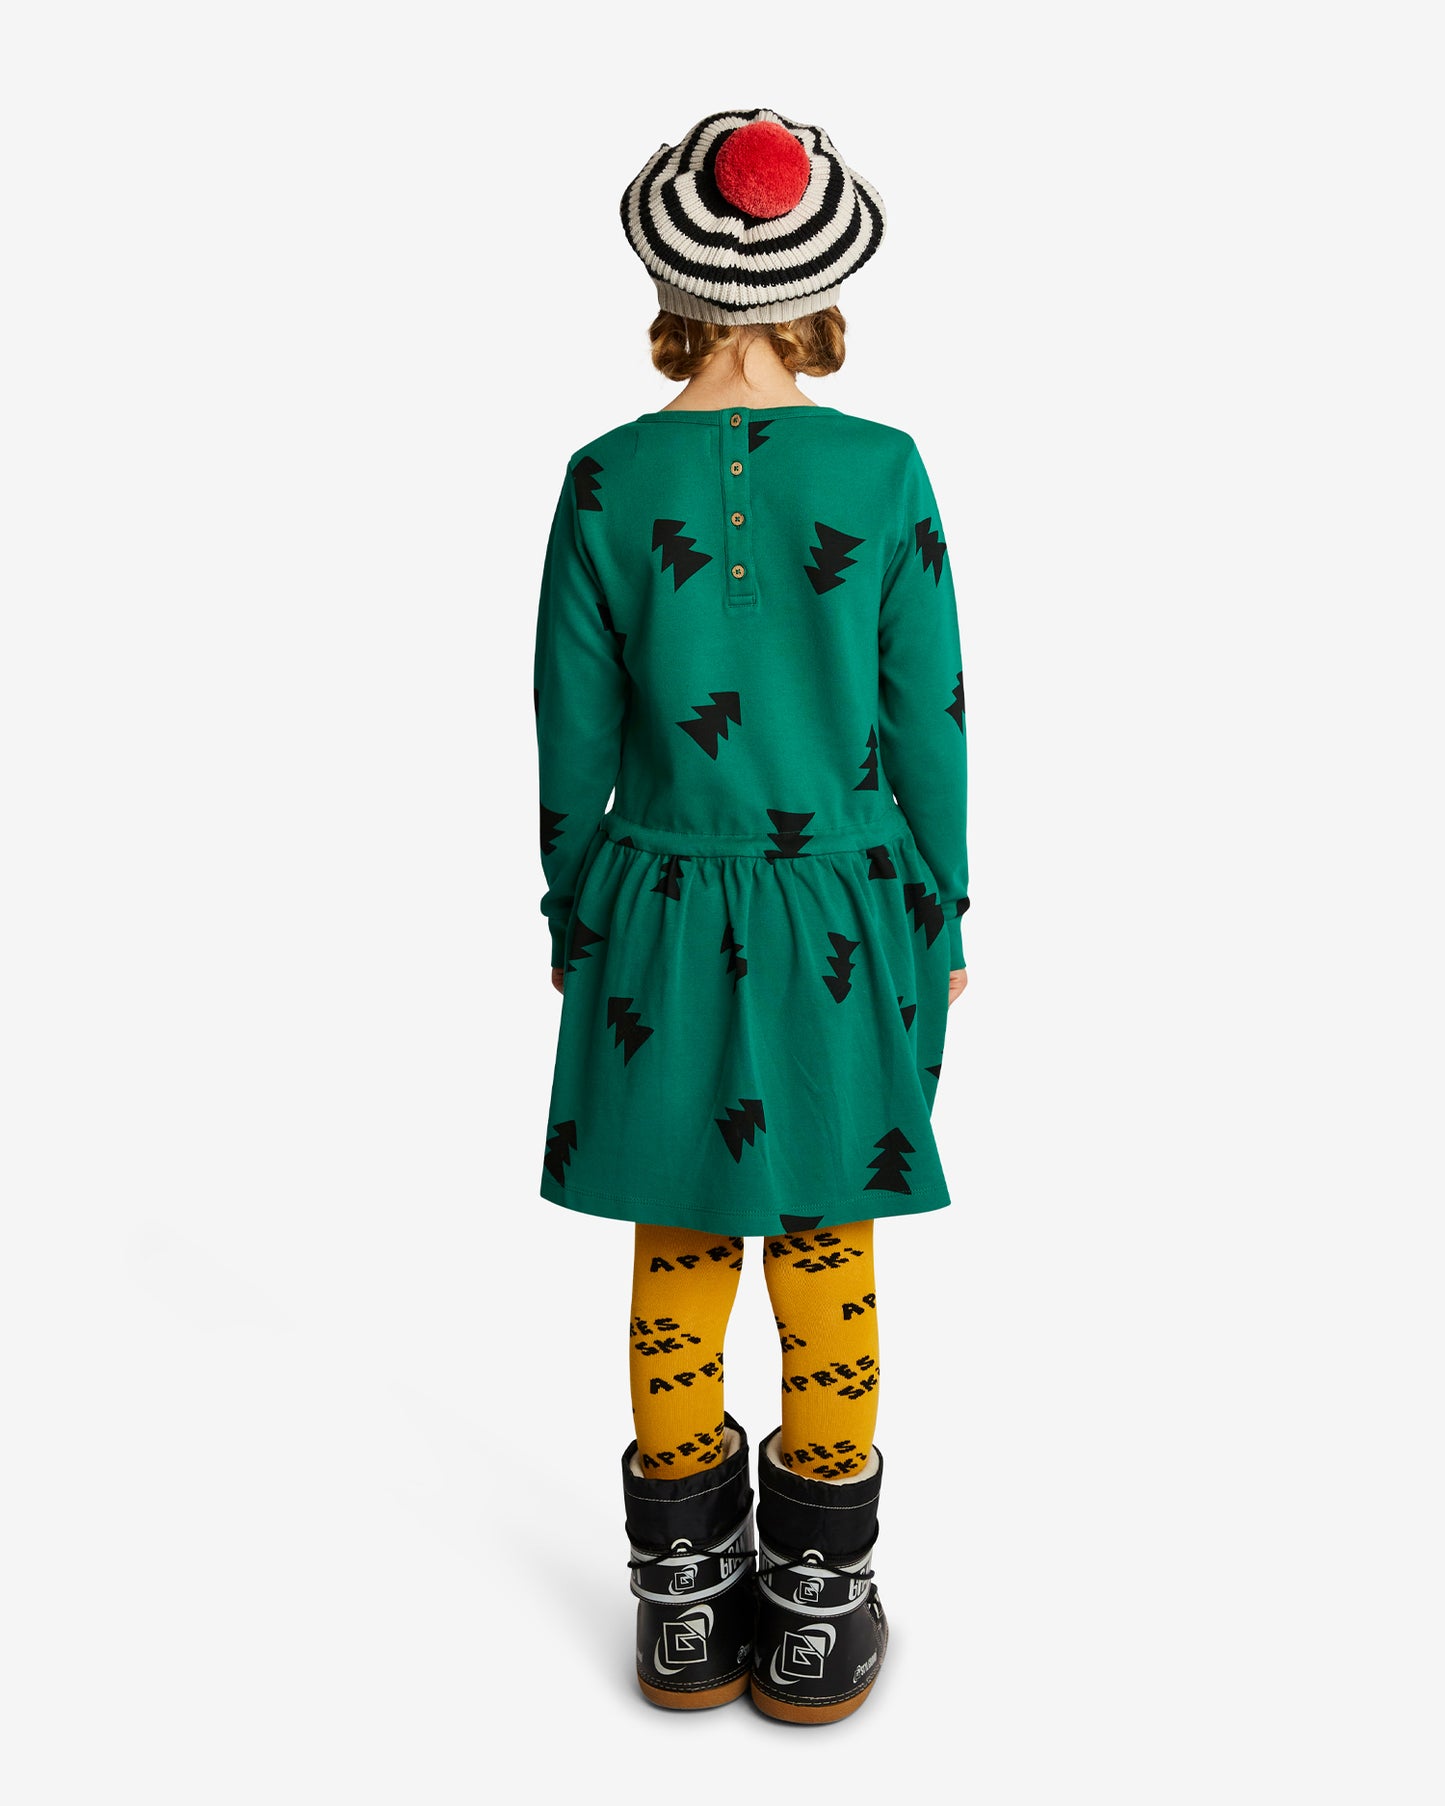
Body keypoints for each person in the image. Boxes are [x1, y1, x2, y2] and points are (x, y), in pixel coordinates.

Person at [532, 108, 969, 1723]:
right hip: (842, 900)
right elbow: (927, 714)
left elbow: (567, 727)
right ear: (817, 287)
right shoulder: (880, 470)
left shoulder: (604, 478)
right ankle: (815, 1608)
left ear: (669, 282)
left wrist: (576, 911)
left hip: (655, 893)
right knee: (824, 1228)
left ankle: (680, 1600)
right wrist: (943, 908)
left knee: (680, 1228)